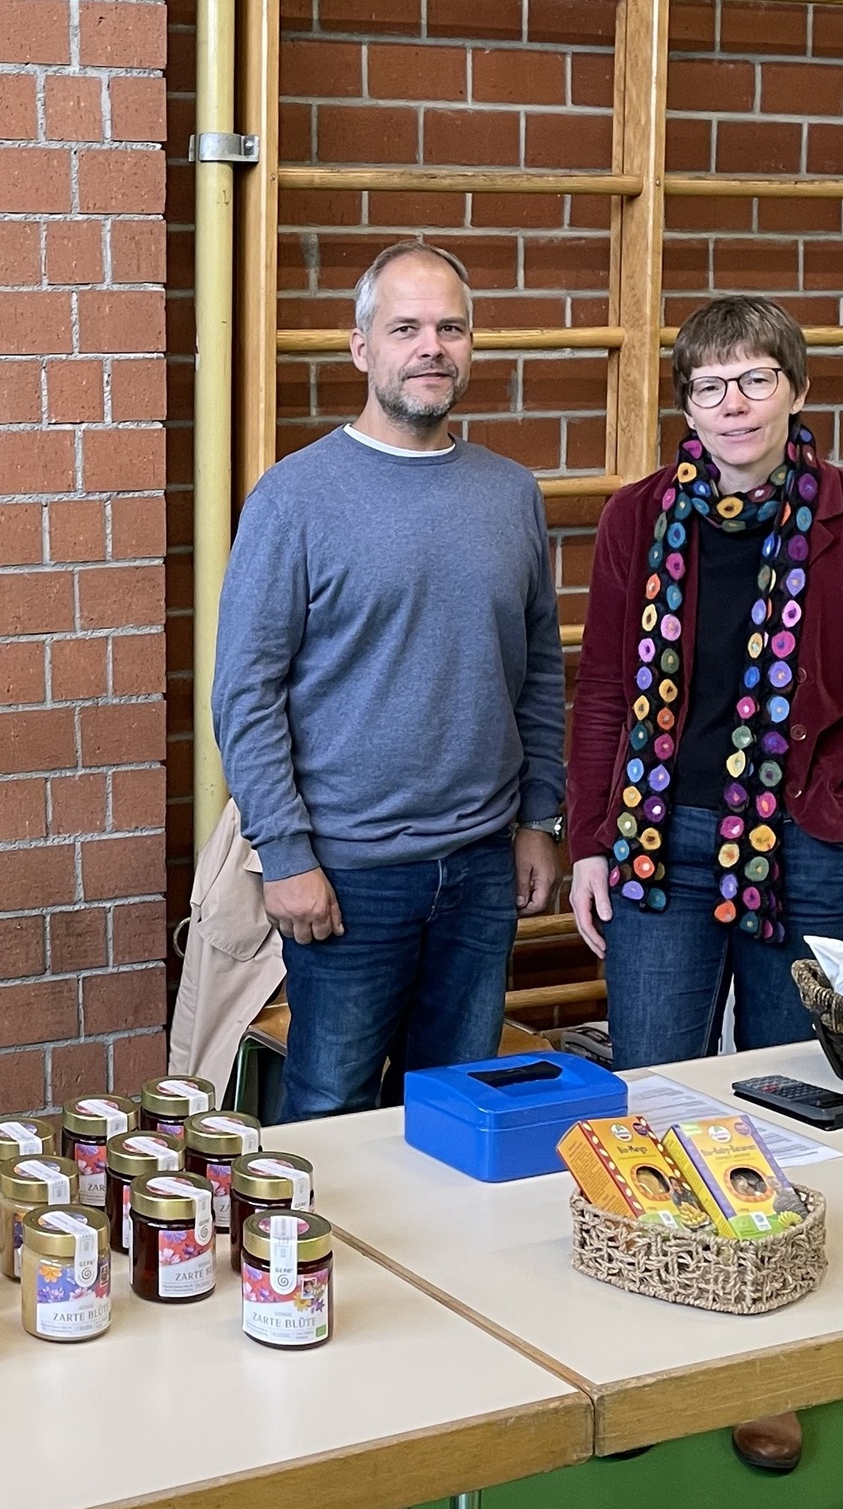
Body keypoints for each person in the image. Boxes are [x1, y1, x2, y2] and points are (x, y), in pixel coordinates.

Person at [567, 294, 843, 1473]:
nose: (730, 405)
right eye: (707, 385)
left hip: (816, 847)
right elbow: (598, 692)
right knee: (653, 1093)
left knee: (793, 1103)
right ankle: (641, 1360)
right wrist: (589, 836)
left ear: (794, 389)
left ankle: (770, 1369)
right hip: (662, 844)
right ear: (684, 404)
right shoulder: (641, 518)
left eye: (752, 380)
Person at [213, 240, 566, 1119]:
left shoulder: (511, 493)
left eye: (451, 328)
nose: (431, 347)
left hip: (482, 869)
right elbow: (244, 695)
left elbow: (539, 674)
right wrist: (284, 855)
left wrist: (537, 819)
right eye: (406, 326)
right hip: (347, 873)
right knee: (328, 1116)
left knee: (452, 1115)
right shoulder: (294, 499)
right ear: (362, 347)